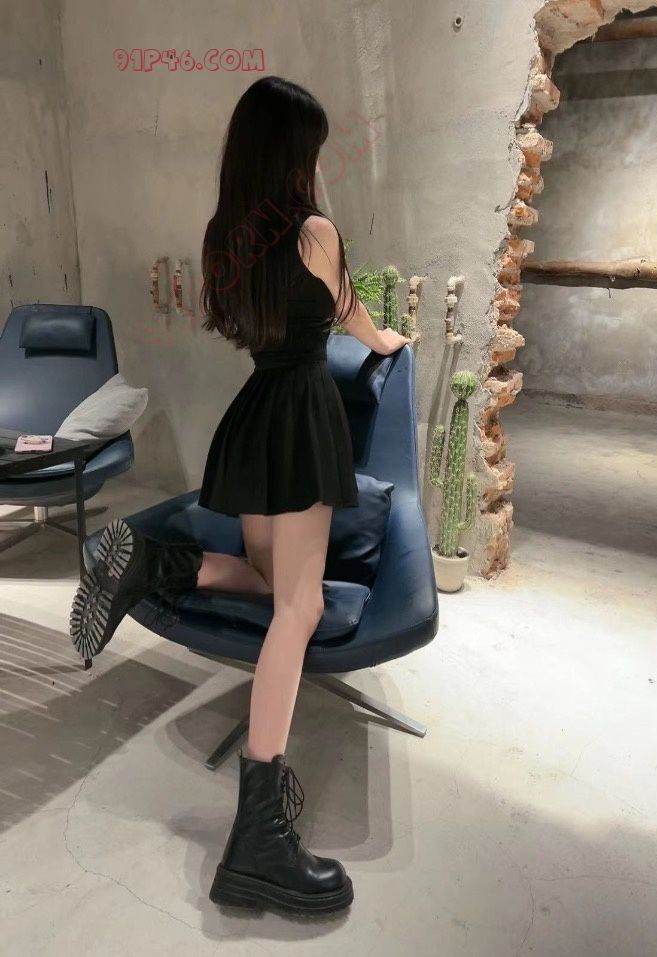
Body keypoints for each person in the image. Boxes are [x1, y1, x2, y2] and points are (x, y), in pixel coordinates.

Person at [68, 75, 410, 916]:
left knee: (269, 579)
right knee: (299, 605)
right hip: (300, 418)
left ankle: (155, 561)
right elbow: (349, 312)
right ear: (294, 153)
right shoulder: (315, 230)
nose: (317, 162)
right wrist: (384, 339)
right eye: (312, 148)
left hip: (256, 414)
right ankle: (257, 837)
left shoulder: (229, 236)